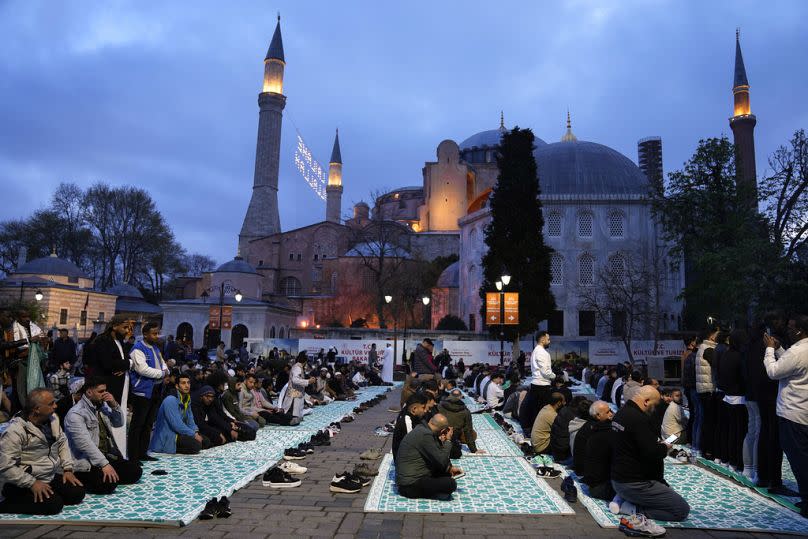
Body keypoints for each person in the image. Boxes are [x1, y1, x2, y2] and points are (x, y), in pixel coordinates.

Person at [0, 388, 86, 515]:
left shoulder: (53, 419)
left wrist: (67, 469)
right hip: (22, 481)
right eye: (51, 404)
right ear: (37, 409)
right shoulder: (16, 430)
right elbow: (6, 466)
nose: (56, 406)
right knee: (54, 505)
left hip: (47, 474)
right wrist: (32, 483)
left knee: (77, 493)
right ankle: (5, 504)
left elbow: (62, 443)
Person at [611, 386, 690, 522]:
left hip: (620, 478)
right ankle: (632, 508)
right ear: (646, 401)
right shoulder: (639, 420)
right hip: (636, 483)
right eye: (654, 405)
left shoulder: (620, 413)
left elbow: (636, 446)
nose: (654, 409)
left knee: (667, 492)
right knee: (681, 509)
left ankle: (622, 497)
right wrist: (665, 447)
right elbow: (652, 453)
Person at [64, 377, 142, 494]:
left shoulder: (102, 406)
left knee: (135, 471)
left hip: (105, 455)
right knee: (108, 484)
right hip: (86, 462)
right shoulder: (76, 413)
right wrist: (104, 464)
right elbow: (85, 444)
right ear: (89, 392)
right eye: (101, 391)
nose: (104, 394)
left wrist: (114, 405)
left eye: (105, 391)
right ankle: (85, 478)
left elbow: (119, 423)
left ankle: (104, 473)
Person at [763, 314, 808, 516]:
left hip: (792, 412)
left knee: (799, 460)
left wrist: (770, 349)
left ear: (799, 330)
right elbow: (791, 363)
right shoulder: (798, 351)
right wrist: (780, 349)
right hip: (803, 410)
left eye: (791, 327)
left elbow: (774, 371)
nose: (787, 330)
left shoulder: (798, 351)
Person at [395, 414, 463, 500]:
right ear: (443, 431)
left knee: (445, 473)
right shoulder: (425, 435)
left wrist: (450, 468)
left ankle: (435, 491)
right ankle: (434, 493)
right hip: (409, 485)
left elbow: (436, 456)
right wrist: (448, 441)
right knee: (451, 484)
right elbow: (441, 460)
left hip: (412, 477)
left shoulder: (422, 428)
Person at [128, 321, 168, 462]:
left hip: (155, 390)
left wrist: (165, 370)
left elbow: (163, 364)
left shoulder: (155, 348)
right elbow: (142, 369)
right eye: (154, 333)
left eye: (157, 333)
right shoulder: (138, 348)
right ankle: (133, 456)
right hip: (142, 391)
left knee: (148, 424)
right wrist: (162, 374)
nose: (156, 336)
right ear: (145, 334)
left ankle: (143, 453)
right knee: (137, 425)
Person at [149, 373, 211, 455]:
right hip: (168, 437)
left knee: (206, 441)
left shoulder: (187, 399)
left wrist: (195, 432)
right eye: (183, 383)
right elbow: (177, 425)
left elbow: (190, 420)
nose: (187, 385)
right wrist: (193, 435)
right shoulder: (170, 400)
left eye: (188, 383)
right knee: (196, 445)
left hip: (179, 433)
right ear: (177, 386)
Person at [520, 331, 555, 435]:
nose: (549, 341)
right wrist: (554, 376)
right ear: (542, 339)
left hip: (538, 385)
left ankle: (536, 433)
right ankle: (539, 434)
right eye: (548, 339)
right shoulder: (542, 352)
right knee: (541, 413)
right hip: (542, 386)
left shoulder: (537, 351)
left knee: (536, 411)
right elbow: (546, 371)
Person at [581, 400, 615, 501]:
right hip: (600, 486)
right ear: (598, 416)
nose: (611, 414)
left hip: (593, 482)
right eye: (608, 412)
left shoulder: (594, 428)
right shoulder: (604, 433)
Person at [694, 326, 719, 458]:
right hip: (708, 389)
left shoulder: (702, 348)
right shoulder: (709, 349)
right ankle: (708, 450)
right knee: (709, 421)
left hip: (703, 388)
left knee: (705, 420)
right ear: (712, 336)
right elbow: (717, 365)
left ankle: (703, 448)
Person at [438, 388, 482, 458]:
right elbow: (468, 430)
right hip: (453, 435)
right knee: (473, 434)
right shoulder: (465, 411)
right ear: (461, 397)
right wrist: (474, 450)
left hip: (439, 434)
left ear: (450, 395)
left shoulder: (440, 406)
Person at [392, 393, 430, 462]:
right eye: (423, 408)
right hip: (405, 462)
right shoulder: (407, 421)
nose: (425, 411)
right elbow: (412, 444)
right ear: (414, 409)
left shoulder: (414, 416)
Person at [283, 353, 313, 419]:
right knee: (295, 414)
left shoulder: (298, 367)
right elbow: (295, 380)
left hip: (297, 392)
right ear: (305, 361)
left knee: (299, 414)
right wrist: (308, 381)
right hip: (294, 392)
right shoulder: (297, 368)